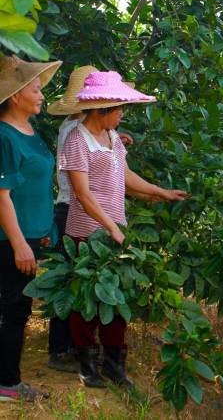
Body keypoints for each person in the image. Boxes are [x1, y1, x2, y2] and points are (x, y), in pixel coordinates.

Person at [61, 70, 188, 388]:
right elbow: (82, 193)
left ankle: (114, 366)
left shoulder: (113, 138)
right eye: (118, 109)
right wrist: (110, 228)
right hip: (87, 232)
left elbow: (125, 177)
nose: (121, 114)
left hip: (115, 229)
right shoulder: (76, 140)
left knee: (117, 300)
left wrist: (160, 192)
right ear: (102, 108)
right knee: (86, 299)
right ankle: (88, 365)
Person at [45, 65, 136, 373]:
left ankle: (93, 356)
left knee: (95, 291)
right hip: (74, 211)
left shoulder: (100, 131)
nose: (122, 112)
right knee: (76, 289)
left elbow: (115, 167)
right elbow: (82, 191)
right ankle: (64, 351)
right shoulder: (73, 132)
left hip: (98, 215)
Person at [0, 55, 62, 401]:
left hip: (32, 234)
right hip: (11, 241)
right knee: (15, 309)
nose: (42, 95)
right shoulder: (4, 136)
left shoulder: (30, 131)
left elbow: (35, 187)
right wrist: (20, 244)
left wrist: (45, 226)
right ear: (15, 96)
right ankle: (8, 383)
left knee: (17, 308)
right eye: (36, 90)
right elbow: (2, 197)